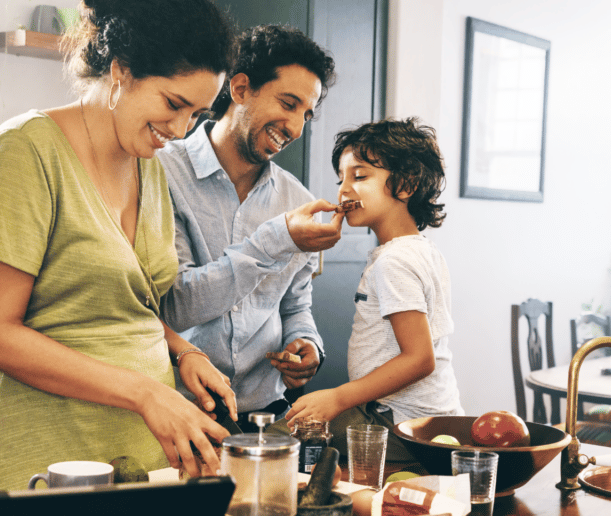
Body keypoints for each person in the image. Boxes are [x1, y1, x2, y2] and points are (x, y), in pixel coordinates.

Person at [0, 0, 238, 492]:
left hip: (136, 452)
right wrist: (146, 393)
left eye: (198, 114)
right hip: (42, 450)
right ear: (120, 70)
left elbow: (118, 302)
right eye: (173, 104)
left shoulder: (148, 164)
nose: (180, 130)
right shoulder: (23, 152)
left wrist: (182, 350)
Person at [158, 25, 341, 431]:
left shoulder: (297, 200)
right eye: (288, 103)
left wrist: (307, 346)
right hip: (179, 413)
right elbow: (176, 304)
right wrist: (277, 239)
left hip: (265, 414)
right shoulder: (161, 173)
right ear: (240, 88)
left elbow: (295, 306)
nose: (295, 127)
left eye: (306, 115)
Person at [283, 117, 463, 461]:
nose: (343, 190)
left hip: (396, 422)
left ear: (406, 184)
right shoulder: (420, 249)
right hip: (424, 419)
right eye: (341, 178)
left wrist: (337, 398)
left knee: (279, 442)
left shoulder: (393, 262)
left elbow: (419, 359)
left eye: (360, 176)